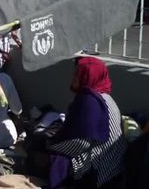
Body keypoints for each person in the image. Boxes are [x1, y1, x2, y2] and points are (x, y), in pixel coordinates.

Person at [47, 57, 127, 188]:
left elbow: (81, 143)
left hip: (101, 171)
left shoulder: (90, 101)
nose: (74, 77)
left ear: (88, 76)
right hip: (114, 166)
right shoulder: (105, 97)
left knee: (56, 158)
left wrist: (52, 147)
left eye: (79, 74)